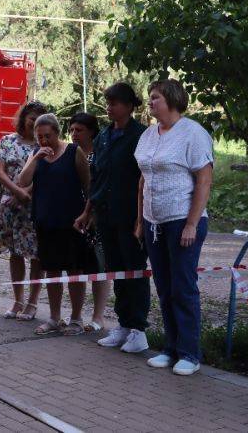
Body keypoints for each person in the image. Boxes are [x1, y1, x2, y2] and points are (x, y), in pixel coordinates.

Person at [135, 79, 213, 376]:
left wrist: (192, 223)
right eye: (150, 97)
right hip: (154, 222)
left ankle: (190, 354)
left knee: (183, 288)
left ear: (171, 99)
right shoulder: (148, 135)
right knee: (165, 288)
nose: (150, 102)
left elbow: (204, 181)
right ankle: (170, 349)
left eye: (155, 97)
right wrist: (140, 220)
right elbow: (143, 178)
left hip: (183, 219)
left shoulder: (193, 133)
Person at [75, 83, 151, 354]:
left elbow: (145, 178)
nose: (110, 108)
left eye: (115, 103)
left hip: (131, 215)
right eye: (108, 103)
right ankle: (123, 325)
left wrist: (141, 220)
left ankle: (138, 329)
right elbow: (97, 178)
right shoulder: (104, 136)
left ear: (130, 106)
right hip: (106, 215)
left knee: (135, 271)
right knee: (116, 271)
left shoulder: (141, 135)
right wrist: (88, 211)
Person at [17, 113, 95, 335]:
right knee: (50, 271)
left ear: (57, 133)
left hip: (72, 222)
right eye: (39, 137)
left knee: (74, 271)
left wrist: (88, 214)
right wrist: (36, 158)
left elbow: (88, 186)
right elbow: (23, 182)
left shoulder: (73, 152)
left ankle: (77, 318)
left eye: (48, 136)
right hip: (45, 221)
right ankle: (54, 317)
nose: (44, 141)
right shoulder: (36, 154)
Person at [0, 100, 47, 321]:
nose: (34, 123)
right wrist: (17, 191)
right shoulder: (7, 141)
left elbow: (46, 173)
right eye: (32, 118)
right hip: (10, 205)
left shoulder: (45, 145)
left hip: (35, 204)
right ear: (23, 118)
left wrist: (27, 193)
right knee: (15, 253)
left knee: (37, 254)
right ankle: (17, 301)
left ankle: (32, 303)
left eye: (39, 120)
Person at [68, 111, 109, 333]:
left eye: (79, 130)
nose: (74, 134)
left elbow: (99, 186)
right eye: (72, 130)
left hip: (96, 218)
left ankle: (98, 316)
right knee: (75, 267)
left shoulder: (100, 154)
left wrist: (92, 213)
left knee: (99, 266)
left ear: (91, 131)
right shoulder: (69, 153)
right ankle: (75, 314)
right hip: (73, 218)